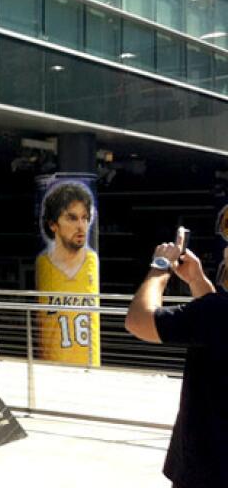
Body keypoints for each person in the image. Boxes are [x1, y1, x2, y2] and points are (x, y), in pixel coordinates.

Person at [125, 241, 228, 488]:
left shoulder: (217, 312)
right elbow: (216, 329)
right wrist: (197, 280)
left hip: (207, 470)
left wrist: (160, 267)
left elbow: (139, 321)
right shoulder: (216, 313)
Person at [35, 181, 100, 365]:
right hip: (54, 366)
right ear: (53, 224)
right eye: (72, 218)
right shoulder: (44, 264)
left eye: (85, 218)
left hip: (89, 366)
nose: (81, 226)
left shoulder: (92, 261)